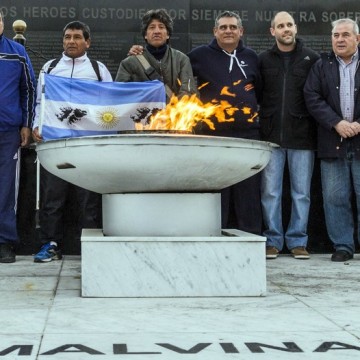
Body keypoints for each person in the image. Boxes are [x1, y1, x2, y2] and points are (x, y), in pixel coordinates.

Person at [32, 21, 113, 262]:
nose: (71, 41)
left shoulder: (98, 70)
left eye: (77, 37)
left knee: (88, 200)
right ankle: (50, 244)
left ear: (87, 42)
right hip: (56, 144)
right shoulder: (50, 67)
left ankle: (89, 247)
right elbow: (40, 102)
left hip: (87, 147)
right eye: (67, 37)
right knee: (52, 199)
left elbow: (110, 106)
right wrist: (37, 124)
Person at [187, 10, 262, 234]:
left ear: (241, 31)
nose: (228, 31)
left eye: (232, 27)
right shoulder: (198, 55)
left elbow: (261, 91)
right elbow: (174, 68)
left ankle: (251, 237)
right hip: (214, 136)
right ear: (215, 31)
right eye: (223, 27)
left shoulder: (252, 57)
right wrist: (140, 52)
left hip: (248, 136)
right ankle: (214, 236)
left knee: (248, 192)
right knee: (217, 190)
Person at [259, 12, 319, 260]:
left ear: (296, 28)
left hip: (302, 136)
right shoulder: (263, 59)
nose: (286, 29)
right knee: (270, 192)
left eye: (289, 25)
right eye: (280, 26)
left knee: (301, 193)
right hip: (271, 137)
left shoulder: (311, 58)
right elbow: (259, 95)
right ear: (272, 31)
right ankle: (272, 240)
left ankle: (297, 241)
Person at [304, 18, 360, 262]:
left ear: (357, 39)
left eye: (346, 35)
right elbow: (312, 96)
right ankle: (343, 246)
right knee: (335, 198)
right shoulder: (321, 64)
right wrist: (337, 123)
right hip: (332, 141)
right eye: (336, 35)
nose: (340, 39)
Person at [0, 10, 36, 263]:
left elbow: (29, 89)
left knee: (5, 188)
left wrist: (26, 124)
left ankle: (4, 241)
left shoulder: (16, 52)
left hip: (8, 131)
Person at [115, 8, 197, 100]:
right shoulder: (129, 63)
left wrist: (174, 109)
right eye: (152, 27)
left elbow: (188, 91)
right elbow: (121, 95)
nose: (157, 31)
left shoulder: (181, 59)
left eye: (161, 27)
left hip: (173, 113)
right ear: (145, 34)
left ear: (168, 34)